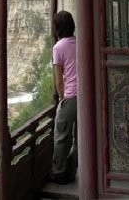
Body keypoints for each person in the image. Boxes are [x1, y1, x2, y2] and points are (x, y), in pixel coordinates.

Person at [49, 10, 78, 184]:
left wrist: (62, 99)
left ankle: (58, 172)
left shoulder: (58, 47)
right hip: (85, 96)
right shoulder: (79, 42)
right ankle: (71, 172)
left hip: (70, 96)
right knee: (79, 138)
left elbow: (59, 80)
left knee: (61, 136)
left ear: (57, 28)